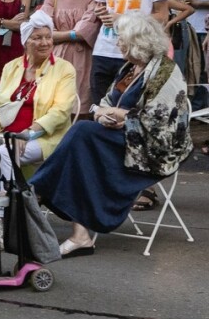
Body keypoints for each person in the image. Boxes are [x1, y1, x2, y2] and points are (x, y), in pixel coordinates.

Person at [32, 13, 192, 256]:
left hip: (152, 147)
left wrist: (121, 116)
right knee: (82, 144)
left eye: (122, 40)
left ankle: (36, 192)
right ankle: (79, 235)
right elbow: (104, 102)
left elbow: (160, 122)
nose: (117, 44)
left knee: (82, 136)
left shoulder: (164, 72)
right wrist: (102, 115)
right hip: (119, 138)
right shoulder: (131, 68)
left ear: (138, 42)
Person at [0, 11, 77, 176]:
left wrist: (28, 134)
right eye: (37, 38)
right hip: (6, 133)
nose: (45, 43)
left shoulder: (64, 69)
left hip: (43, 136)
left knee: (4, 153)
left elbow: (60, 111)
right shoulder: (11, 67)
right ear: (25, 42)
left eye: (48, 37)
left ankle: (11, 197)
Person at [43, 0, 98, 116]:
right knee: (55, 107)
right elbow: (43, 30)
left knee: (79, 106)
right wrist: (72, 34)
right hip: (56, 56)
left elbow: (85, 31)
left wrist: (58, 34)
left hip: (82, 58)